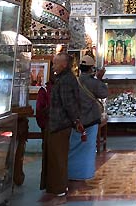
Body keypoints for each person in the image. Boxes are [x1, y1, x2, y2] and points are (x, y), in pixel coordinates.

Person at [43, 52, 84, 197]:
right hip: (56, 123)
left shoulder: (66, 80)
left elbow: (69, 104)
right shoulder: (62, 78)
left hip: (60, 124)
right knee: (54, 157)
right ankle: (55, 186)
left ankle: (60, 189)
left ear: (64, 64)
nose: (53, 66)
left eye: (55, 63)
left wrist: (76, 120)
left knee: (58, 158)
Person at [68, 55, 109, 180]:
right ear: (92, 68)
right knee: (88, 149)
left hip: (76, 120)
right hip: (91, 120)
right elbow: (104, 93)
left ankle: (71, 173)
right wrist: (99, 79)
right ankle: (85, 174)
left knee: (74, 147)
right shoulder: (93, 83)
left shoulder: (74, 81)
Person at [35, 72, 53, 192]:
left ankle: (47, 182)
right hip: (53, 125)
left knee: (48, 155)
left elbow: (39, 110)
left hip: (47, 126)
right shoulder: (45, 91)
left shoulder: (44, 91)